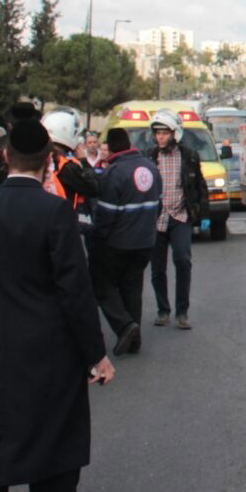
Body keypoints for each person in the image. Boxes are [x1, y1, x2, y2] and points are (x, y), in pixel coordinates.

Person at [0, 117, 114, 492]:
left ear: (5, 157)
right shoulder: (55, 213)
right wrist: (95, 355)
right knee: (52, 463)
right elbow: (75, 293)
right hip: (49, 359)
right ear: (49, 161)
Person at [89, 127, 162, 355]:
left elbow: (106, 215)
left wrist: (97, 237)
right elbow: (158, 206)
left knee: (102, 284)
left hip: (117, 242)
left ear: (109, 148)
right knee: (132, 287)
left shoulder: (114, 173)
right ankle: (134, 340)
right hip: (145, 241)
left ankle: (125, 325)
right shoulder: (151, 168)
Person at [146, 110, 207, 331]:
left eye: (164, 133)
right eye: (157, 133)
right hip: (156, 220)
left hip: (180, 217)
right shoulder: (149, 156)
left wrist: (203, 216)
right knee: (157, 269)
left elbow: (200, 187)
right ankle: (163, 311)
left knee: (183, 261)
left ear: (175, 133)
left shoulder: (189, 156)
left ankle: (182, 312)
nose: (160, 137)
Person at [41, 108, 101, 232]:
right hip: (62, 226)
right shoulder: (66, 166)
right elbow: (95, 187)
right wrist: (84, 161)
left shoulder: (37, 158)